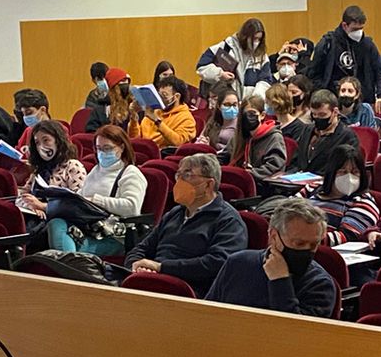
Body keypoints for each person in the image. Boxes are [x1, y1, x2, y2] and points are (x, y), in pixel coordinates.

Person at [125, 152, 245, 290]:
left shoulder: (228, 220)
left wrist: (161, 267)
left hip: (189, 290)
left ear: (208, 185)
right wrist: (136, 265)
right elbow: (142, 247)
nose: (179, 181)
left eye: (187, 175)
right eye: (178, 175)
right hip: (153, 280)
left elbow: (217, 263)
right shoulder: (175, 213)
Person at [203, 197, 337, 318]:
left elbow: (297, 333)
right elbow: (206, 313)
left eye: (314, 244)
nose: (307, 250)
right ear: (273, 236)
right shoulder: (238, 263)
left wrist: (280, 281)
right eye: (299, 243)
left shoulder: (319, 284)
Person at [43, 124, 147, 256]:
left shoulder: (131, 173)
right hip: (88, 227)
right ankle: (71, 264)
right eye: (99, 148)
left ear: (121, 147)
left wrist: (95, 200)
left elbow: (132, 208)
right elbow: (81, 196)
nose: (102, 153)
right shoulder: (96, 170)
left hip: (113, 234)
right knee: (55, 224)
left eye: (107, 148)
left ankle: (70, 264)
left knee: (64, 248)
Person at [308, 4, 381, 116]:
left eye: (361, 28)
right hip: (332, 101)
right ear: (344, 25)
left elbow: (380, 71)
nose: (359, 32)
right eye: (355, 29)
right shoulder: (328, 43)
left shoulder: (367, 44)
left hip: (361, 101)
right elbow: (314, 73)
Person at [11, 118, 85, 227]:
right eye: (37, 143)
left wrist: (43, 206)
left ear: (58, 140)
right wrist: (32, 207)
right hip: (36, 218)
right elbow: (22, 196)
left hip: (63, 223)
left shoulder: (73, 166)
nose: (41, 146)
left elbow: (78, 205)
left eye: (46, 140)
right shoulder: (39, 169)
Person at [286, 88, 362, 182]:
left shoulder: (347, 136)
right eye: (314, 114)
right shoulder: (307, 130)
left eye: (322, 115)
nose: (317, 118)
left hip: (326, 186)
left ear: (335, 112)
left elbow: (346, 171)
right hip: (297, 183)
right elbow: (295, 161)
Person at [313, 145, 381, 243]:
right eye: (342, 172)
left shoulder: (364, 203)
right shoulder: (313, 188)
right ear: (331, 172)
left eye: (355, 172)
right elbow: (288, 210)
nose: (349, 177)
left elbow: (346, 237)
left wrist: (301, 240)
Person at [197, 17, 270, 91]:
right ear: (245, 36)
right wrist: (220, 74)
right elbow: (202, 67)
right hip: (226, 98)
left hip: (250, 101)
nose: (256, 42)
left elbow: (266, 80)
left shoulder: (262, 56)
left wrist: (256, 99)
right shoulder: (225, 47)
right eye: (254, 38)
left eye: (259, 39)